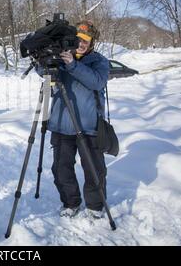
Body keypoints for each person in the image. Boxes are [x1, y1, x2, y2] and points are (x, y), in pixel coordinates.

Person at [40, 20, 109, 219]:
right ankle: (70, 202)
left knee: (94, 170)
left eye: (86, 40)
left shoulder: (98, 61)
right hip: (61, 125)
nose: (81, 43)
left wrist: (72, 64)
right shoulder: (59, 56)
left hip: (88, 127)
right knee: (61, 170)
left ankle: (95, 206)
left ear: (92, 43)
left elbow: (97, 82)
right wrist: (43, 60)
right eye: (78, 38)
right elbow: (44, 76)